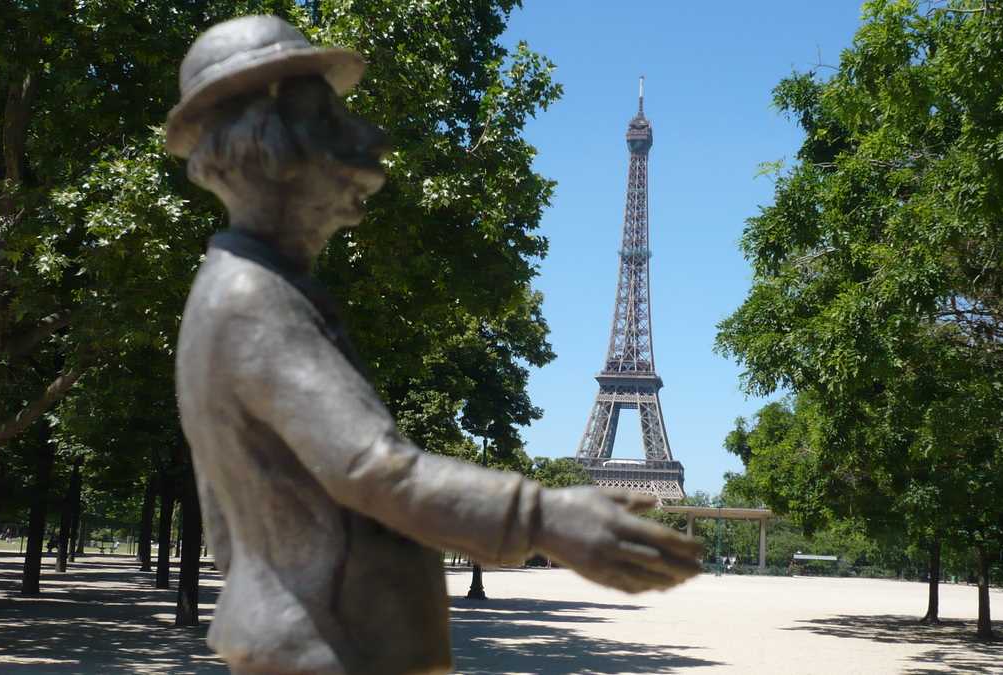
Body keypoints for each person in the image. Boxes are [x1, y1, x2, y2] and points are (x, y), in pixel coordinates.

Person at [168, 15, 702, 675]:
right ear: (274, 149)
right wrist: (544, 516)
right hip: (327, 646)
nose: (369, 151)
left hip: (326, 638)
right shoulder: (253, 303)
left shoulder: (251, 290)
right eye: (336, 125)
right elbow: (370, 467)